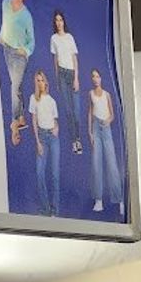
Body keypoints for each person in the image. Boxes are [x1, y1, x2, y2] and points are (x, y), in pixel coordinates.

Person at [0, 0, 34, 146]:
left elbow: (32, 41)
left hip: (19, 56)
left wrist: (24, 51)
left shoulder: (27, 16)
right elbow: (5, 23)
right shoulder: (5, 3)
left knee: (14, 86)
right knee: (17, 87)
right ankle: (21, 117)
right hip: (7, 50)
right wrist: (1, 35)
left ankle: (14, 124)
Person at [87, 67, 124, 216]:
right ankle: (98, 200)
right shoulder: (90, 94)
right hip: (96, 127)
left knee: (112, 163)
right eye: (93, 76)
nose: (96, 79)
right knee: (96, 164)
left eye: (97, 76)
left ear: (101, 78)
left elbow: (112, 114)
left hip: (106, 128)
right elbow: (90, 113)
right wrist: (90, 132)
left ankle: (119, 200)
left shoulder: (107, 94)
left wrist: (108, 120)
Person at [50, 11, 82, 154]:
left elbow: (74, 58)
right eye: (56, 20)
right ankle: (75, 142)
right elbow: (55, 60)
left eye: (61, 20)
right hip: (62, 75)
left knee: (76, 111)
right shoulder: (53, 38)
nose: (59, 23)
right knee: (68, 111)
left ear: (64, 22)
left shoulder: (69, 37)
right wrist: (57, 79)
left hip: (72, 74)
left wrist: (76, 78)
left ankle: (78, 138)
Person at [30, 69, 60, 216]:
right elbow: (34, 121)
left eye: (42, 80)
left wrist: (56, 128)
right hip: (41, 136)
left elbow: (55, 120)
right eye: (38, 80)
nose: (40, 83)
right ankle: (45, 209)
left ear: (46, 82)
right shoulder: (33, 99)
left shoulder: (52, 100)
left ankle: (55, 210)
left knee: (55, 174)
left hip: (53, 138)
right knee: (40, 173)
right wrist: (38, 142)